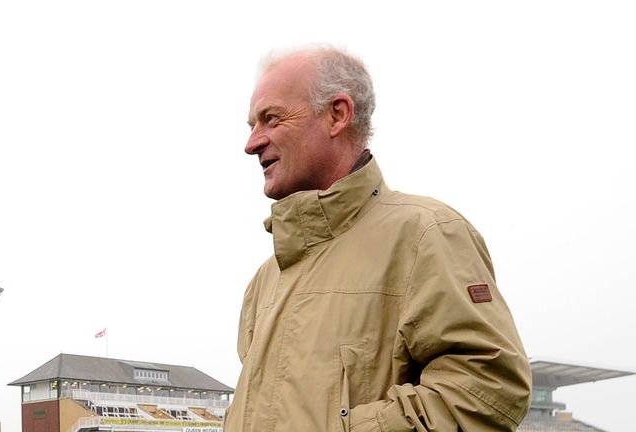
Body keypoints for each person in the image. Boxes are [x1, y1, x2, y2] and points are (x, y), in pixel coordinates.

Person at [224, 46, 531, 432]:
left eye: (271, 119)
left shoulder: (426, 234)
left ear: (337, 114)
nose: (252, 143)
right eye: (253, 124)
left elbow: (489, 390)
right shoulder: (264, 280)